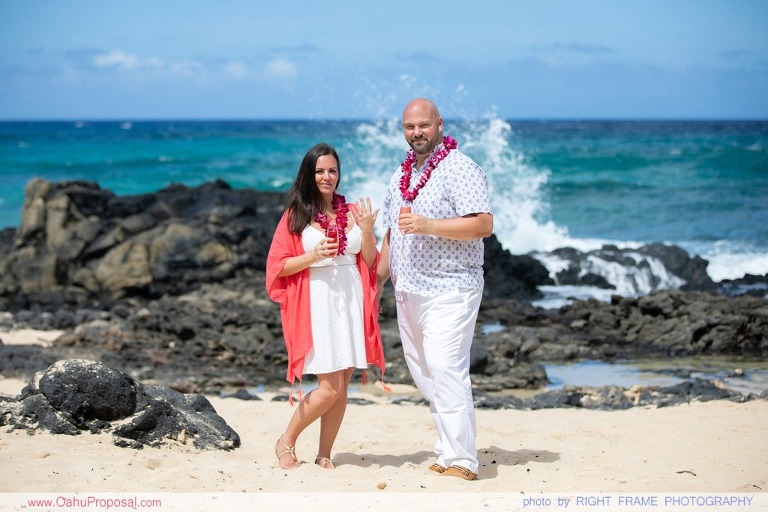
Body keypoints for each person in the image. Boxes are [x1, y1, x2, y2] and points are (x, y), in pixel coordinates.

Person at [378, 98, 493, 481]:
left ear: (439, 124)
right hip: (408, 289)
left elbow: (482, 224)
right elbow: (392, 233)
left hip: (451, 286)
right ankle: (446, 451)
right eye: (410, 127)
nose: (417, 133)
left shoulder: (459, 168)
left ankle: (463, 459)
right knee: (426, 374)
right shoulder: (401, 175)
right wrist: (376, 280)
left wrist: (429, 225)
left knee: (446, 367)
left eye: (424, 126)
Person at [266, 142, 385, 470]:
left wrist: (366, 231)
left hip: (350, 300)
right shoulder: (296, 215)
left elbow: (370, 262)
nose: (327, 176)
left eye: (332, 170)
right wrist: (314, 256)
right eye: (320, 171)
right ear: (309, 173)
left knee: (342, 384)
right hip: (318, 301)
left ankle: (324, 454)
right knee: (329, 387)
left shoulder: (349, 212)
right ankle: (285, 441)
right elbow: (277, 266)